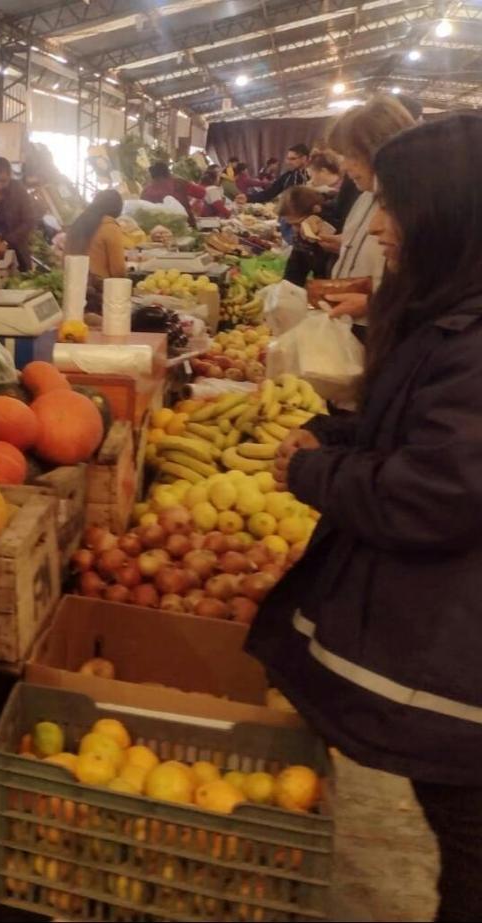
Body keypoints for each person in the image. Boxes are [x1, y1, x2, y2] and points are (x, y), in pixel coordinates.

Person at [252, 112, 482, 923]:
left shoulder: (473, 338)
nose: (377, 223)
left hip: (465, 671)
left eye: (394, 206)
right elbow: (417, 431)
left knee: (472, 858)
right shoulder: (448, 313)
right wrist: (342, 432)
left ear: (448, 214)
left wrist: (320, 469)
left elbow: (437, 490)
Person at [321, 95, 415, 322]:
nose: (343, 166)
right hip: (349, 326)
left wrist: (371, 304)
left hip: (380, 329)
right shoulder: (364, 196)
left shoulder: (416, 208)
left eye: (352, 156)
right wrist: (343, 243)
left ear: (381, 150)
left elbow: (427, 291)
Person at [64, 189, 126, 281]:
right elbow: (118, 271)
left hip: (71, 284)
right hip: (98, 288)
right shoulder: (110, 226)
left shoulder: (78, 223)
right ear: (118, 208)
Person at [277, 186, 332, 286]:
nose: (294, 229)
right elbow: (296, 267)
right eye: (291, 225)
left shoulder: (332, 231)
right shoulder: (301, 237)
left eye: (298, 224)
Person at [141, 162, 198, 227]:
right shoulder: (179, 183)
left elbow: (144, 212)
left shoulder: (146, 191)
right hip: (186, 227)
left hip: (159, 231)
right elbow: (201, 193)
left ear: (152, 175)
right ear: (168, 172)